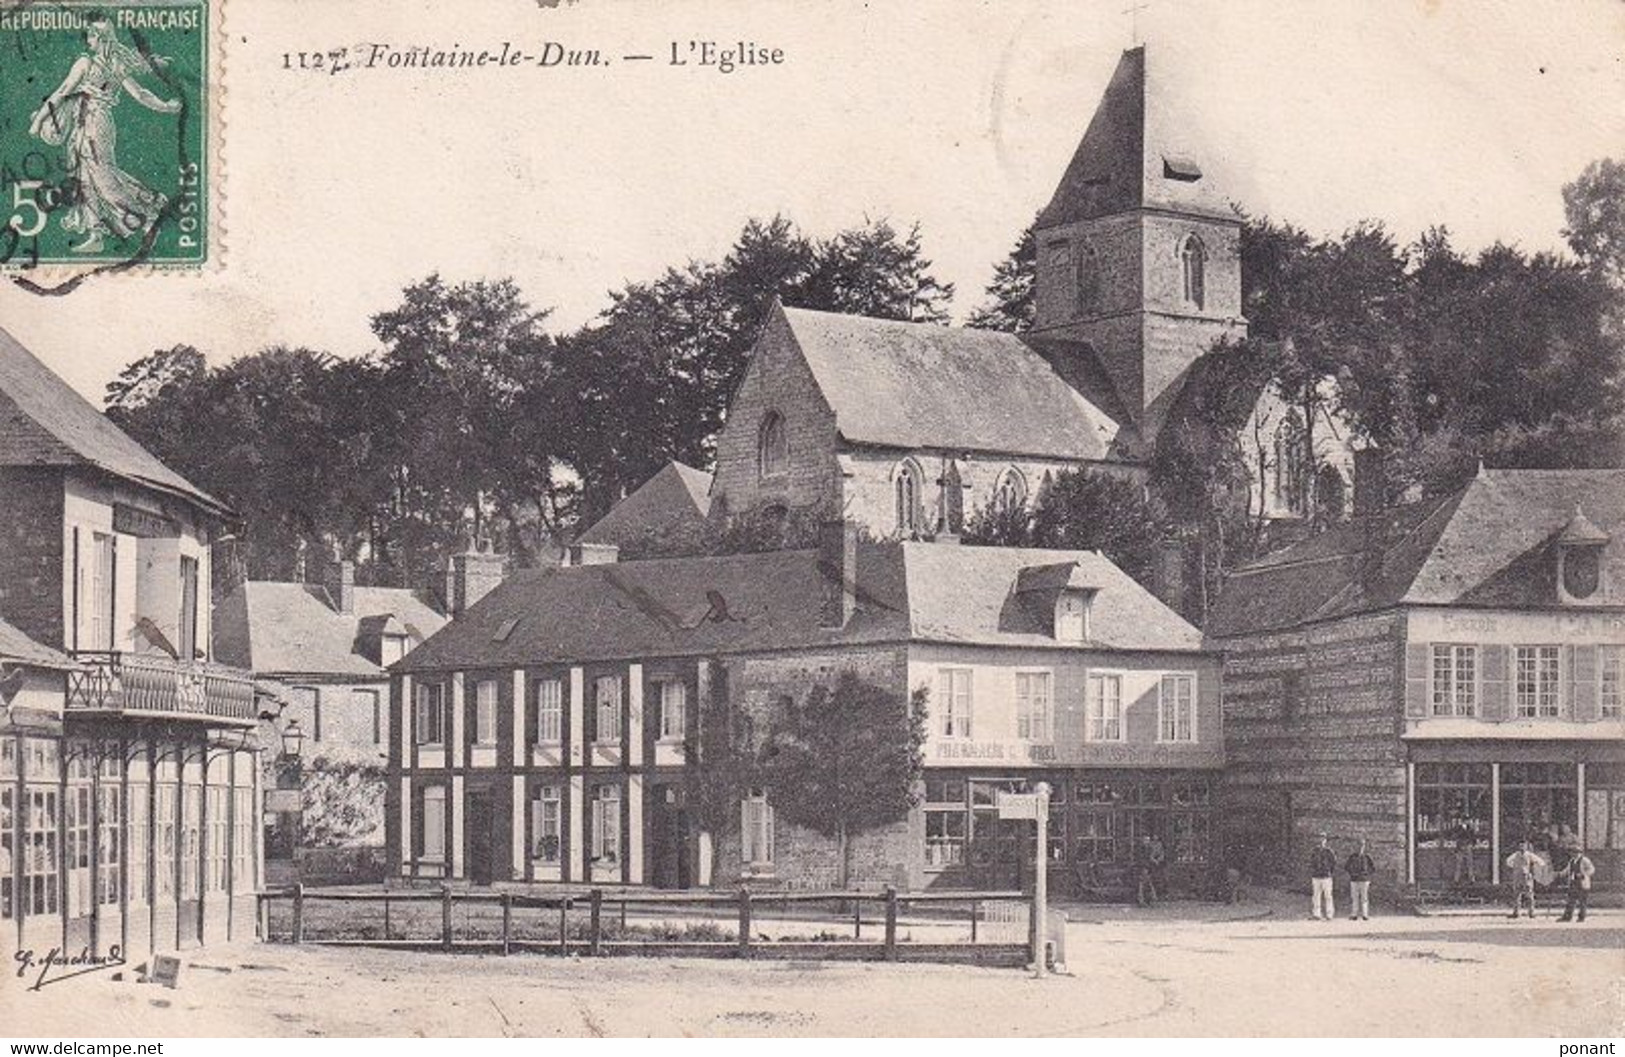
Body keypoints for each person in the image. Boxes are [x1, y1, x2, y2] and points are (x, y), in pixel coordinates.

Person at [28, 17, 181, 253]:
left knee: (103, 177)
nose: (87, 39)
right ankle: (96, 233)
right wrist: (166, 106)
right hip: (92, 122)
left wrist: (38, 122)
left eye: (90, 35)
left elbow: (61, 92)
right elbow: (141, 94)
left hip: (93, 123)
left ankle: (148, 217)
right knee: (84, 178)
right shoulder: (116, 64)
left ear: (99, 38)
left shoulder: (85, 63)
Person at [1504, 840, 1542, 919]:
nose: (1522, 847)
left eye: (1523, 846)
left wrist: (1534, 868)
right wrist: (1515, 868)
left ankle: (1531, 912)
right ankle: (1516, 912)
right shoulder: (1515, 855)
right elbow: (1508, 861)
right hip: (1517, 877)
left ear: (1526, 846)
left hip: (1526, 877)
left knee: (1530, 895)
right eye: (1520, 846)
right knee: (1516, 895)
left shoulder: (1529, 855)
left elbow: (1540, 862)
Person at [1557, 848, 1595, 923]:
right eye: (1572, 852)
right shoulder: (1572, 861)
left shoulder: (1584, 860)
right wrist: (1560, 874)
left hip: (1582, 883)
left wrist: (1584, 874)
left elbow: (1591, 869)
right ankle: (1567, 916)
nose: (1573, 854)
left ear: (1579, 852)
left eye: (1575, 852)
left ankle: (1581, 917)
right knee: (1571, 900)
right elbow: (1568, 870)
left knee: (1582, 901)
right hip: (1573, 882)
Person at [1345, 837, 1375, 920]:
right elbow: (1347, 866)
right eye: (1359, 845)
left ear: (1364, 846)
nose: (1360, 847)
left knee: (1364, 897)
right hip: (1354, 880)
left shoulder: (1367, 857)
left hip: (1364, 880)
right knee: (1354, 897)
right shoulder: (1352, 857)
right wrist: (1352, 874)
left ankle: (1365, 915)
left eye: (1362, 845)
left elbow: (1372, 868)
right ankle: (1354, 914)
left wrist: (1367, 875)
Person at [1309, 833, 1337, 920]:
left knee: (1328, 896)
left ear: (1326, 841)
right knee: (1316, 895)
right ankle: (1316, 914)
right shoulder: (1315, 851)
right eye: (1320, 839)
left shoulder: (1329, 852)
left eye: (1323, 839)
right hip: (1316, 876)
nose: (1321, 841)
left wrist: (1329, 871)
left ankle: (1329, 914)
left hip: (1326, 876)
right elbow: (1311, 862)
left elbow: (1333, 862)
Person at [1134, 835, 1158, 907]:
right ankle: (1143, 900)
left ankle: (1150, 899)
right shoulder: (1140, 849)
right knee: (1143, 884)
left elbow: (1151, 857)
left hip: (1148, 868)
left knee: (1147, 884)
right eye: (1145, 840)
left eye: (1148, 840)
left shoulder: (1149, 848)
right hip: (1143, 867)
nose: (1146, 842)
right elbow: (1141, 859)